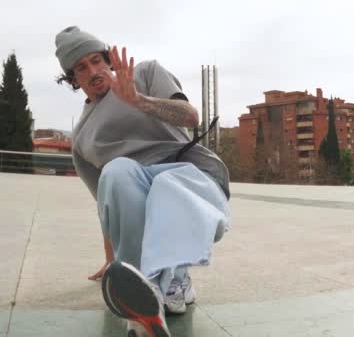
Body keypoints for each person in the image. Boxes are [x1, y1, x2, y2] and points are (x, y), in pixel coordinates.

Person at [56, 26, 231, 337]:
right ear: (73, 78)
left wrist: (140, 101)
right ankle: (147, 298)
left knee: (166, 186)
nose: (93, 71)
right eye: (81, 67)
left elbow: (191, 117)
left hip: (194, 184)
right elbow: (107, 205)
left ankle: (170, 278)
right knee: (117, 171)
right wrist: (115, 266)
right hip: (141, 197)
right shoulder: (82, 139)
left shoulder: (146, 72)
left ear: (108, 59)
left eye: (96, 60)